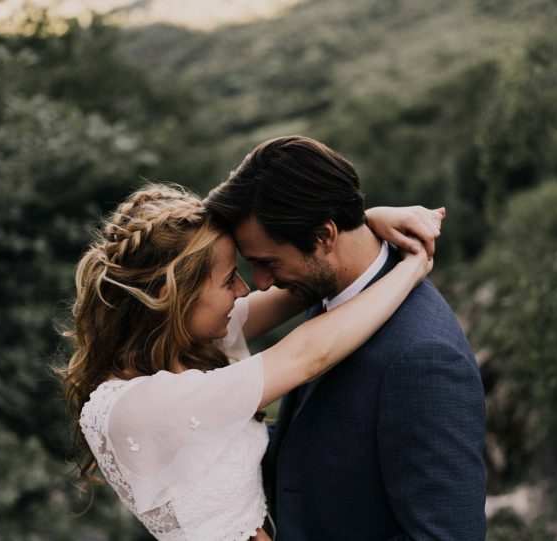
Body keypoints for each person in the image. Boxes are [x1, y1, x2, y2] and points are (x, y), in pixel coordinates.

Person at [59, 184, 443, 540]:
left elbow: (302, 283)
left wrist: (363, 224)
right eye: (229, 281)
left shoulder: (189, 345)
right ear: (171, 295)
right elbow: (308, 354)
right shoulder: (142, 406)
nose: (246, 289)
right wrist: (413, 265)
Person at [205, 135, 487, 540]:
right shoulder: (327, 291)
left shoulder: (424, 357)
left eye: (266, 263)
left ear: (323, 237)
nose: (263, 283)